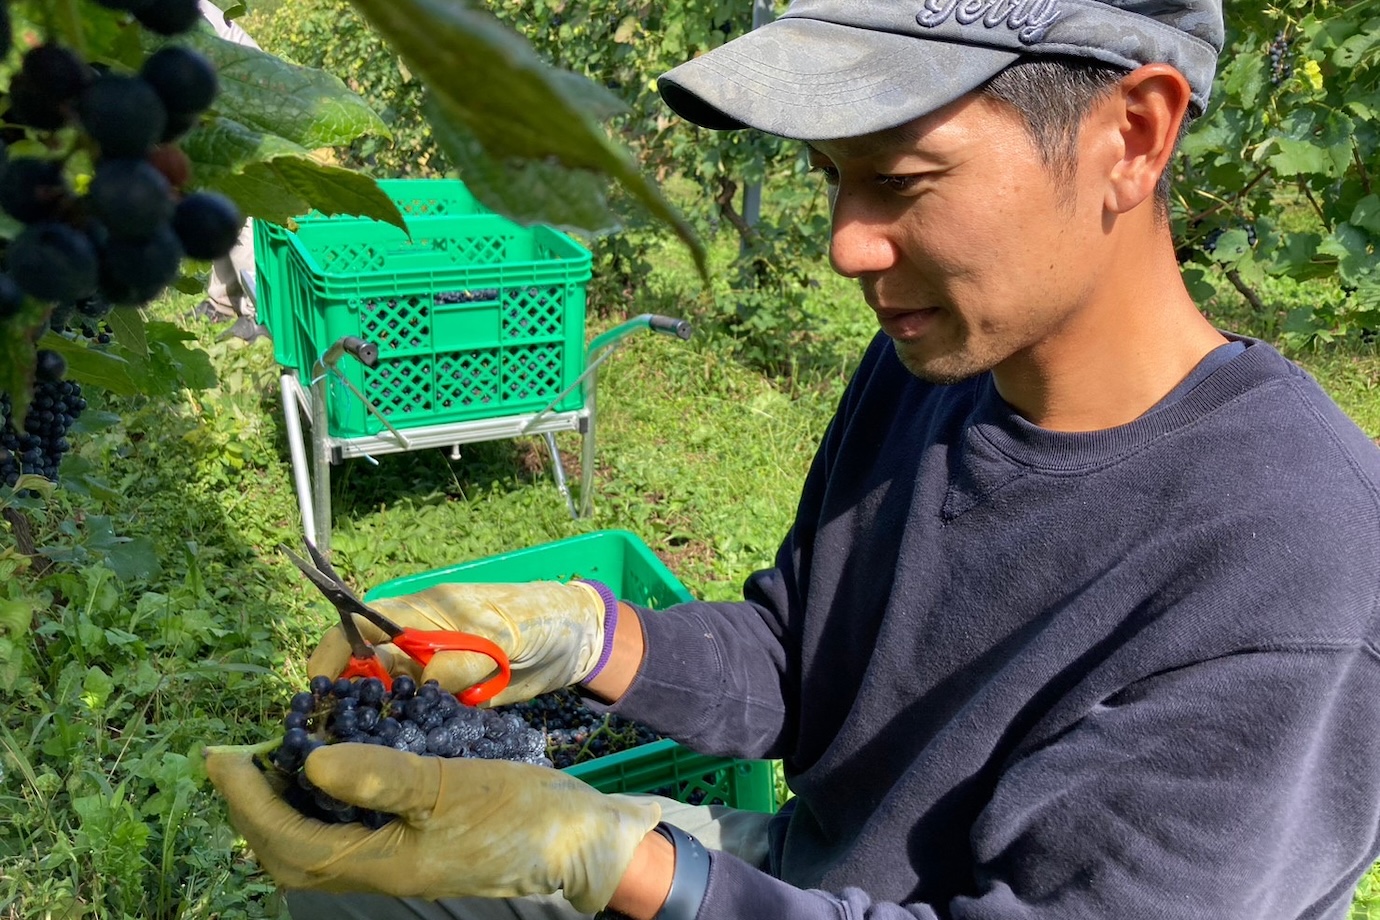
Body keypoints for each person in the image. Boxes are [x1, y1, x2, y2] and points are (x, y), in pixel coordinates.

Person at [206, 1, 1380, 918]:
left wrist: (609, 858)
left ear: (1133, 133)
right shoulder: (945, 362)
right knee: (366, 858)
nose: (845, 245)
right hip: (809, 881)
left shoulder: (1289, 572)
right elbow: (805, 660)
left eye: (901, 179)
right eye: (830, 179)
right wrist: (579, 629)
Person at [189, 0, 268, 343]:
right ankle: (221, 301)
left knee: (243, 212)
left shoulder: (190, 15)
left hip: (248, 99)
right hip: (217, 104)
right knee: (218, 209)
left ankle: (256, 316)